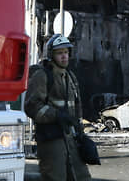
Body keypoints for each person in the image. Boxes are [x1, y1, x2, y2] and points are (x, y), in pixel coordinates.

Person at [24, 34, 91, 181]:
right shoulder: (42, 76)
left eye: (66, 52)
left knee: (81, 177)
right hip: (51, 139)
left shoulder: (70, 77)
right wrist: (56, 115)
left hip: (71, 139)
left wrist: (80, 132)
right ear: (51, 55)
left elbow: (77, 108)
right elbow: (31, 106)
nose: (64, 57)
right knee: (55, 177)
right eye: (59, 53)